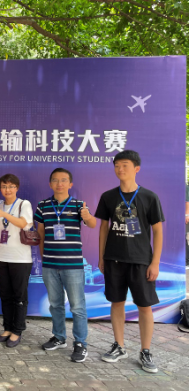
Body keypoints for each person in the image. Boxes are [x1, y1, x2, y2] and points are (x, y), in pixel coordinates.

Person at [94, 150, 164, 373]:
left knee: (144, 306)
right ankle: (119, 345)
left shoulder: (149, 197)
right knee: (117, 302)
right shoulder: (108, 196)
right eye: (116, 165)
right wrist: (101, 257)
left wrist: (155, 262)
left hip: (141, 260)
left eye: (125, 165)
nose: (120, 169)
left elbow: (158, 231)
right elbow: (103, 228)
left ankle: (145, 351)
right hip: (114, 259)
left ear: (136, 169)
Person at [34, 168, 96, 363]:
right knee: (55, 304)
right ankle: (59, 337)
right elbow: (41, 234)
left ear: (70, 184)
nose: (59, 184)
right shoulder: (43, 206)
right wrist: (43, 258)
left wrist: (87, 216)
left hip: (73, 265)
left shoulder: (78, 205)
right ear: (50, 183)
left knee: (77, 306)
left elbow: (93, 224)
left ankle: (80, 343)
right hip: (50, 264)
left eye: (63, 180)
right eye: (55, 180)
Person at [0, 174, 33, 348]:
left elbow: (24, 223)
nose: (7, 190)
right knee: (5, 295)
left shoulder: (24, 204)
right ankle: (7, 328)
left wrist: (3, 215)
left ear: (17, 187)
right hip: (0, 256)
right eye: (4, 186)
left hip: (20, 258)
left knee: (19, 296)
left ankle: (18, 330)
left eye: (11, 186)